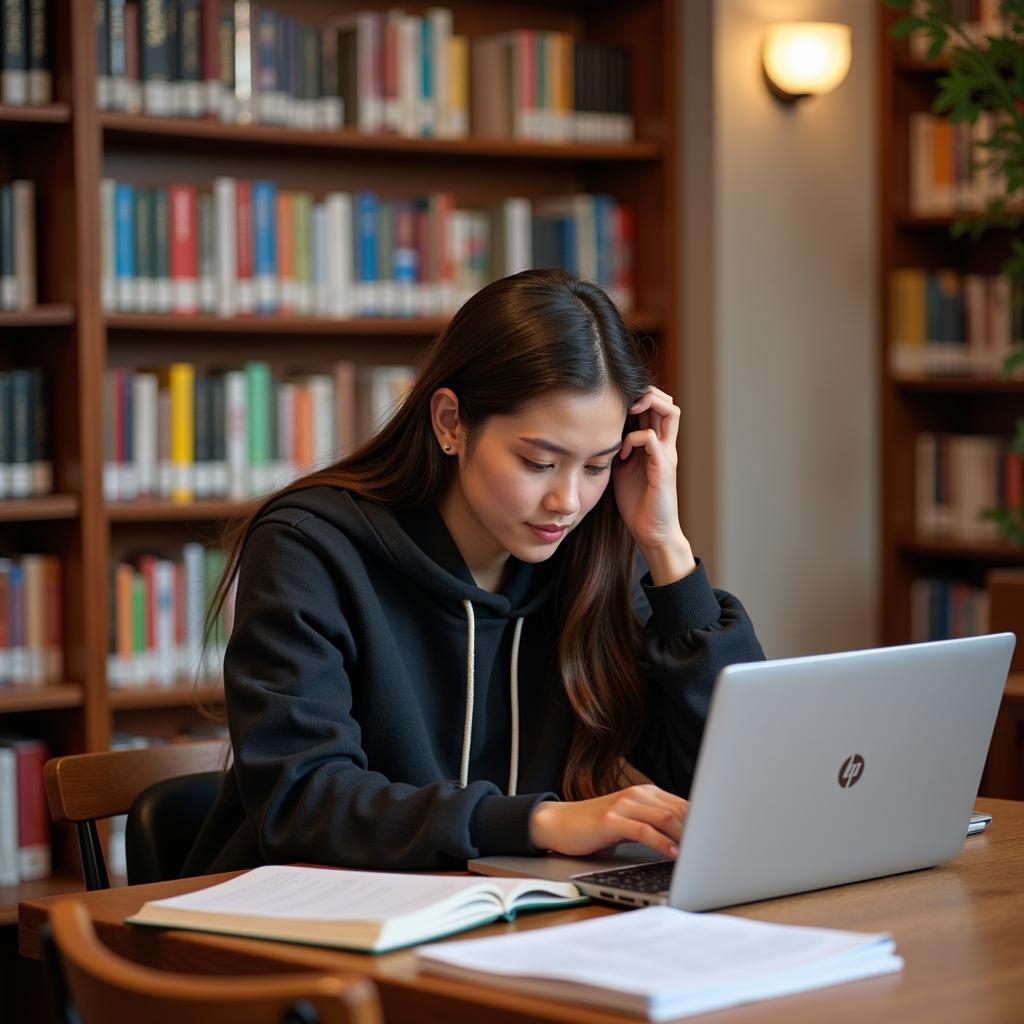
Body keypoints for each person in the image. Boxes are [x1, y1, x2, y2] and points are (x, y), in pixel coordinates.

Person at [183, 268, 763, 877]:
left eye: (596, 466)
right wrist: (537, 823)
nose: (567, 500)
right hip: (301, 930)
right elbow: (301, 802)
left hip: (505, 926)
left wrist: (666, 548)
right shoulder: (312, 547)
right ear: (450, 423)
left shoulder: (583, 558)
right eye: (539, 462)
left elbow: (740, 777)